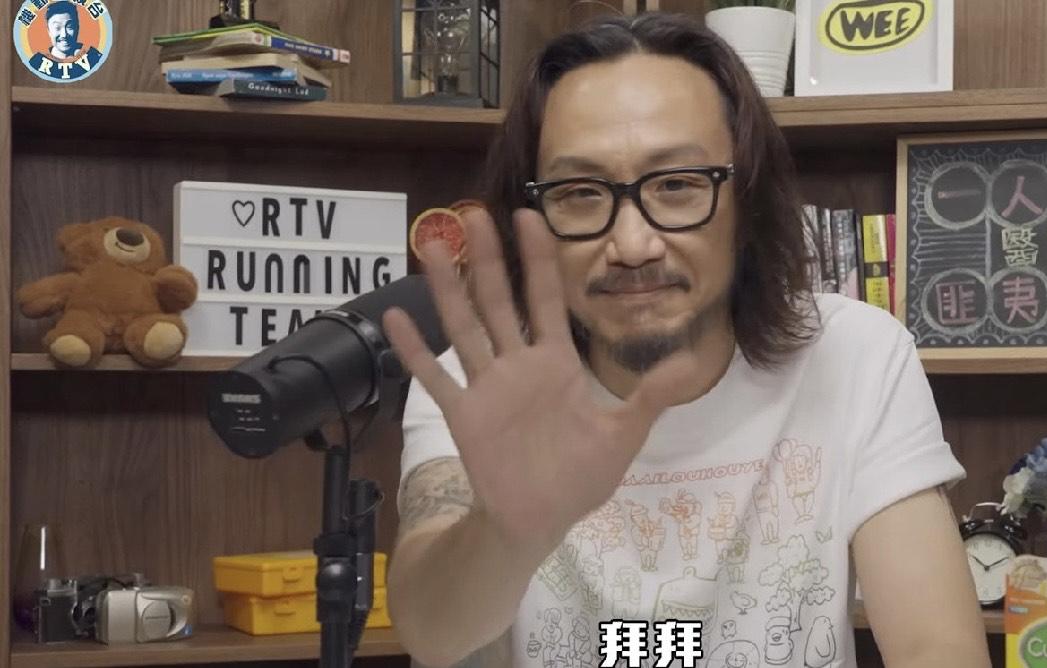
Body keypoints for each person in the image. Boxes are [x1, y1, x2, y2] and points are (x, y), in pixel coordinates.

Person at [386, 12, 989, 668]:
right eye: (580, 192)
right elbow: (432, 634)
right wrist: (505, 534)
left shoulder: (851, 355)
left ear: (746, 200)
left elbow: (937, 646)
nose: (632, 245)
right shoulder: (482, 385)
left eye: (676, 184)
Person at [25, 1, 103, 80]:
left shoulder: (94, 58)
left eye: (70, 27)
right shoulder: (37, 63)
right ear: (49, 31)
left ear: (77, 28)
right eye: (57, 28)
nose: (64, 35)